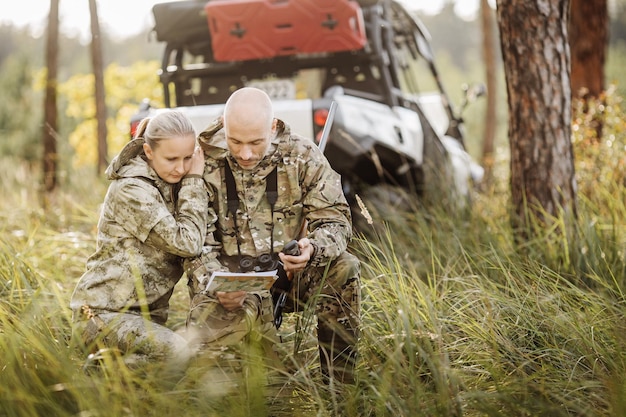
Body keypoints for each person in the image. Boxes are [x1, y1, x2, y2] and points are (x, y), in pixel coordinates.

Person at [185, 87, 361, 384]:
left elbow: (336, 219)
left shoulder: (302, 156)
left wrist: (313, 249)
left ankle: (339, 391)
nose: (245, 153)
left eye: (255, 142)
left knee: (344, 268)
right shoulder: (203, 160)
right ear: (224, 127)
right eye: (235, 141)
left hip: (291, 277)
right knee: (233, 385)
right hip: (230, 283)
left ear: (272, 127)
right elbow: (193, 240)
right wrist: (215, 283)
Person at [70, 110, 208, 369]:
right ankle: (90, 380)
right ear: (148, 151)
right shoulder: (131, 189)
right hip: (102, 316)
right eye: (172, 159)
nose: (180, 167)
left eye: (188, 158)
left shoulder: (169, 181)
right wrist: (193, 180)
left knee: (196, 364)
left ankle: (106, 378)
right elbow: (187, 242)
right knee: (178, 353)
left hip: (143, 320)